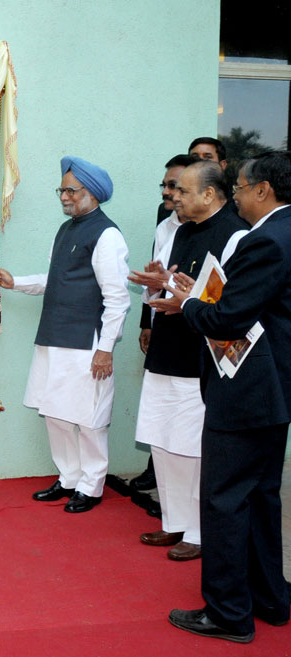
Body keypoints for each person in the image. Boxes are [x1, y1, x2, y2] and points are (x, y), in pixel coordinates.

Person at [152, 151, 291, 643]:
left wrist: (188, 302)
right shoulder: (283, 233)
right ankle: (271, 601)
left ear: (263, 191)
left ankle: (229, 613)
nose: (235, 196)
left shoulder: (266, 240)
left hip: (248, 393)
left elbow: (226, 319)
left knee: (225, 501)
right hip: (274, 395)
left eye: (241, 187)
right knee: (260, 498)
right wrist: (201, 295)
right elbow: (252, 306)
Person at [0, 156, 129, 513]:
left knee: (89, 417)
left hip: (87, 343)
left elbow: (117, 299)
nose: (64, 197)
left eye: (71, 190)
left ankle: (92, 484)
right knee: (55, 414)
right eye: (62, 190)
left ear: (92, 193)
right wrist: (16, 282)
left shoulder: (107, 234)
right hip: (53, 337)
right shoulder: (66, 229)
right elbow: (57, 282)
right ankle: (69, 478)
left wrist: (106, 349)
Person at [127, 160, 245, 561]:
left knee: (193, 447)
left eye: (183, 191)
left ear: (209, 195)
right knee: (162, 440)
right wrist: (159, 283)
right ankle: (173, 521)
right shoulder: (179, 231)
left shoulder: (235, 234)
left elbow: (232, 303)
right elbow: (175, 288)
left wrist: (187, 298)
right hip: (167, 349)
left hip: (203, 357)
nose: (174, 197)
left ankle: (198, 531)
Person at [132, 154, 202, 492]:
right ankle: (175, 520)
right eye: (166, 185)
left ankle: (192, 526)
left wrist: (174, 291)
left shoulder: (226, 231)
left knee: (188, 437)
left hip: (197, 345)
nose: (168, 193)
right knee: (159, 427)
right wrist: (153, 294)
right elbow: (159, 283)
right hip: (165, 335)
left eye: (175, 186)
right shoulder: (165, 226)